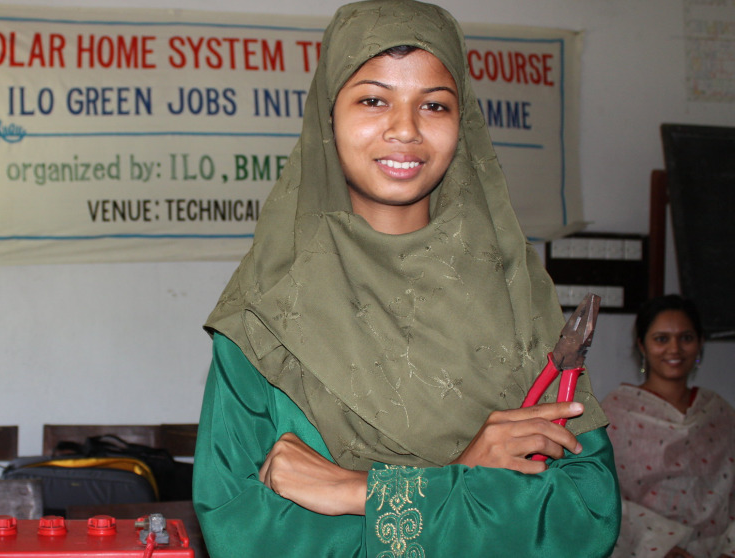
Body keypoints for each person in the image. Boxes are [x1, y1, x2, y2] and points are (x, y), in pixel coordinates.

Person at [193, 0, 620, 555]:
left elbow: (586, 511)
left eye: (435, 105)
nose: (405, 129)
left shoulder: (514, 297)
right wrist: (471, 484)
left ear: (461, 122)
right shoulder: (268, 311)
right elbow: (239, 529)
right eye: (373, 99)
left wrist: (366, 493)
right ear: (329, 115)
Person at [603, 295, 735, 558]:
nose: (674, 349)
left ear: (700, 343)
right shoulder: (614, 414)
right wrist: (661, 546)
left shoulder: (720, 413)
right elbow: (601, 496)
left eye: (686, 338)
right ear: (642, 345)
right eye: (661, 339)